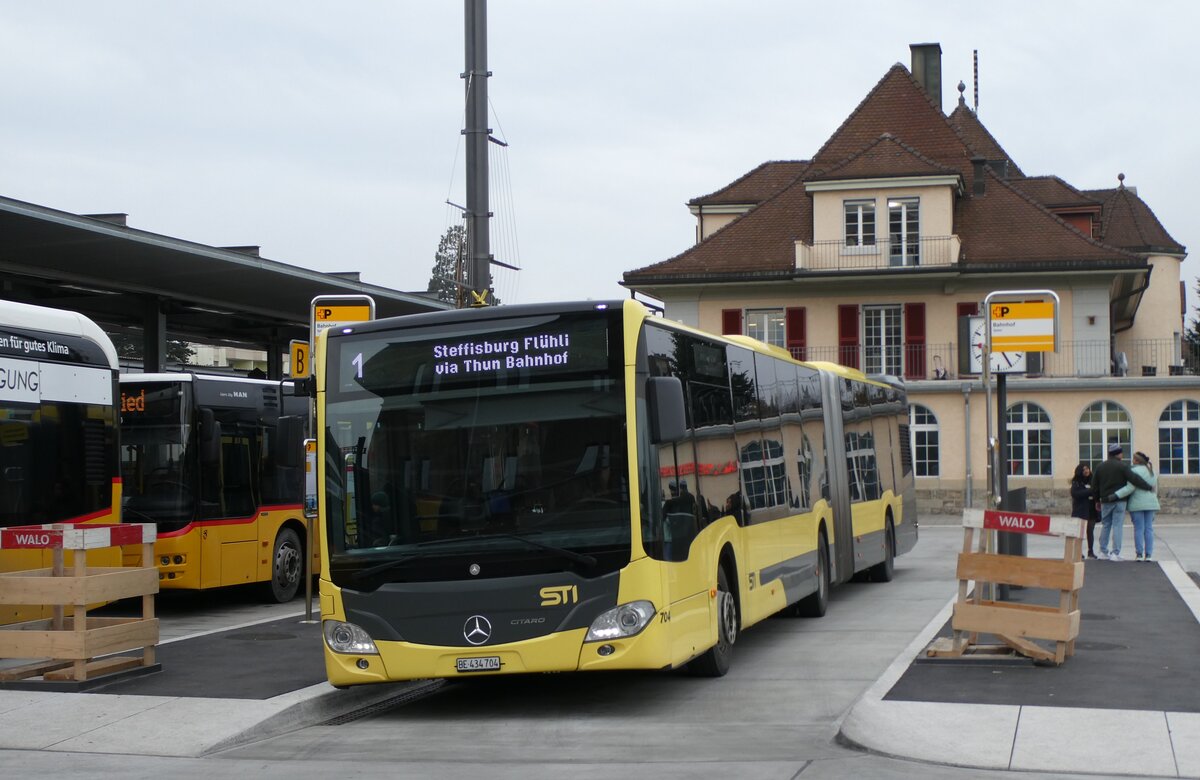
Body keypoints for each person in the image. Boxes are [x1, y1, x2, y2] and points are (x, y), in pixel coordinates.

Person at [1092, 443, 1152, 561]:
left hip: (1104, 500)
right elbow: (1134, 479)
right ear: (1118, 454)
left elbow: (1095, 485)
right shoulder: (1123, 466)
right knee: (1117, 526)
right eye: (1121, 452)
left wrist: (1096, 500)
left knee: (1106, 525)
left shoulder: (1100, 467)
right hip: (1120, 501)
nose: (1122, 454)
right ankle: (1115, 553)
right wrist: (1148, 487)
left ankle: (1103, 551)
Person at [1127, 451, 1159, 562]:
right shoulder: (1152, 472)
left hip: (1136, 503)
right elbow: (1155, 488)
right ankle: (1149, 554)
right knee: (1149, 529)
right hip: (1151, 502)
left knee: (1138, 529)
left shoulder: (1133, 471)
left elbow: (1130, 488)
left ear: (1136, 461)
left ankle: (1139, 554)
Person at [1069, 463, 1100, 559]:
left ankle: (1091, 551)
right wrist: (1090, 491)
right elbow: (1076, 494)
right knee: (1079, 532)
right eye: (1084, 469)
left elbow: (1098, 492)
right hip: (1081, 510)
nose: (1086, 471)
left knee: (1090, 531)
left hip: (1092, 510)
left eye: (1087, 468)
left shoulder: (1093, 480)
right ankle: (1078, 552)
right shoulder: (1076, 483)